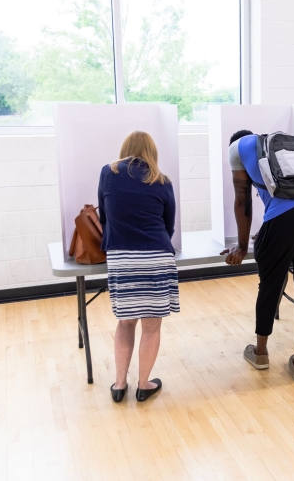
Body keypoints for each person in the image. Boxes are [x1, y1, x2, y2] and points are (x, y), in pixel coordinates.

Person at [222, 130, 294, 382]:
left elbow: (242, 199)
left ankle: (260, 353)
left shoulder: (235, 148)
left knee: (270, 284)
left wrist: (240, 245)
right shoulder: (274, 144)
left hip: (286, 218)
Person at [99, 131, 178, 403]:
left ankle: (120, 384)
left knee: (126, 322)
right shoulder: (162, 181)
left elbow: (104, 215)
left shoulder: (108, 173)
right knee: (152, 326)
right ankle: (144, 384)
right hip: (156, 256)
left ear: (126, 149)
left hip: (122, 257)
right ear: (151, 152)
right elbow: (169, 225)